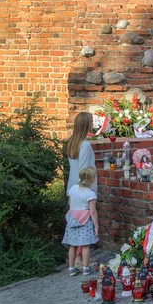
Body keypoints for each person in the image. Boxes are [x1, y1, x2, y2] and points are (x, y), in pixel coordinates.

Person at [65, 112, 97, 267]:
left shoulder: (72, 142)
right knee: (84, 223)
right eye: (90, 122)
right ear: (86, 125)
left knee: (75, 222)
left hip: (73, 188)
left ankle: (77, 258)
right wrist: (85, 190)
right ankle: (79, 259)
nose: (92, 124)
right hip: (82, 188)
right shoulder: (85, 145)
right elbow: (83, 169)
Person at [62, 167, 99, 276]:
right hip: (85, 222)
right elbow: (92, 212)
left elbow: (70, 203)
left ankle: (71, 268)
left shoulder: (73, 189)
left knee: (72, 245)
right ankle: (86, 269)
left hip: (72, 220)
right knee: (85, 246)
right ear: (92, 179)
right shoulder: (90, 194)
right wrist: (96, 226)